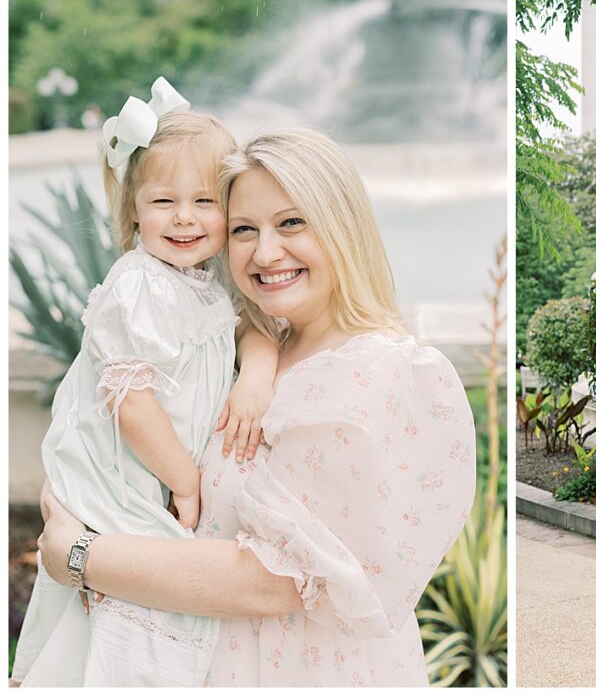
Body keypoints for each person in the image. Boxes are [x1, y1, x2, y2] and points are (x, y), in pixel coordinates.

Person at [35, 127, 477, 687]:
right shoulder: (233, 356)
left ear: (342, 225)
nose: (265, 252)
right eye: (244, 228)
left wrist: (78, 553)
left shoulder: (382, 375)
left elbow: (270, 581)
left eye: (292, 222)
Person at [12, 79, 277, 687]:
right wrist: (187, 483)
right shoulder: (140, 285)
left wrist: (256, 374)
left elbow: (252, 328)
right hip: (128, 475)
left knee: (150, 613)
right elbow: (132, 404)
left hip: (150, 474)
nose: (185, 218)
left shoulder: (202, 283)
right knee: (127, 617)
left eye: (205, 202)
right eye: (164, 202)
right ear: (133, 208)